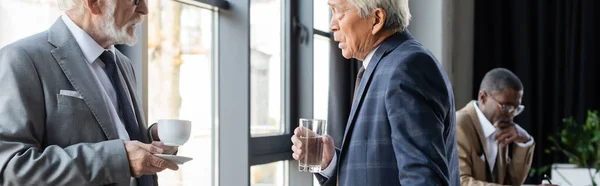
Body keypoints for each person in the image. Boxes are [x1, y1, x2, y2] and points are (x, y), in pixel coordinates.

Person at [0, 0, 178, 185]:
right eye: (135, 1)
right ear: (94, 3)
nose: (145, 10)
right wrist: (118, 160)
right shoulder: (22, 58)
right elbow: (12, 167)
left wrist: (150, 140)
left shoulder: (123, 63)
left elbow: (113, 135)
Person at [291, 0, 460, 185]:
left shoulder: (407, 67)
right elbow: (379, 169)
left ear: (376, 19)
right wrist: (330, 163)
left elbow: (424, 180)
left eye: (338, 12)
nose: (332, 25)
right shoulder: (385, 65)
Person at [456, 68, 535, 185]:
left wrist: (524, 142)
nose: (511, 114)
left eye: (516, 108)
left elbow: (511, 182)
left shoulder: (500, 127)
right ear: (483, 97)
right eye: (506, 106)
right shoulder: (458, 125)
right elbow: (461, 182)